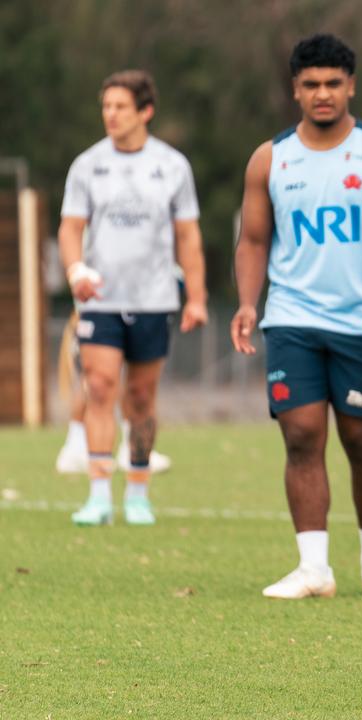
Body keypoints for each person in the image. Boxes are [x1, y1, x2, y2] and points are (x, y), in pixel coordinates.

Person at [230, 34, 362, 600]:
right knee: (301, 435)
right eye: (311, 83)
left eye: (332, 83)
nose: (322, 93)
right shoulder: (271, 158)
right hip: (291, 317)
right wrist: (248, 302)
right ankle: (313, 568)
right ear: (295, 89)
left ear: (350, 86)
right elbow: (253, 240)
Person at [58, 69, 206, 527]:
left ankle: (138, 493)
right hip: (100, 299)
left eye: (121, 106)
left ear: (145, 111)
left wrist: (197, 297)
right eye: (106, 106)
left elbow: (188, 235)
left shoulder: (173, 165)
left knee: (140, 396)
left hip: (154, 299)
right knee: (99, 387)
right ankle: (99, 495)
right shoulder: (87, 165)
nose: (111, 115)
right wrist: (76, 270)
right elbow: (70, 227)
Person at [55, 311, 174, 476]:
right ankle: (74, 446)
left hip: (130, 313)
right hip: (97, 314)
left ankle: (129, 446)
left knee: (126, 379)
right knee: (94, 383)